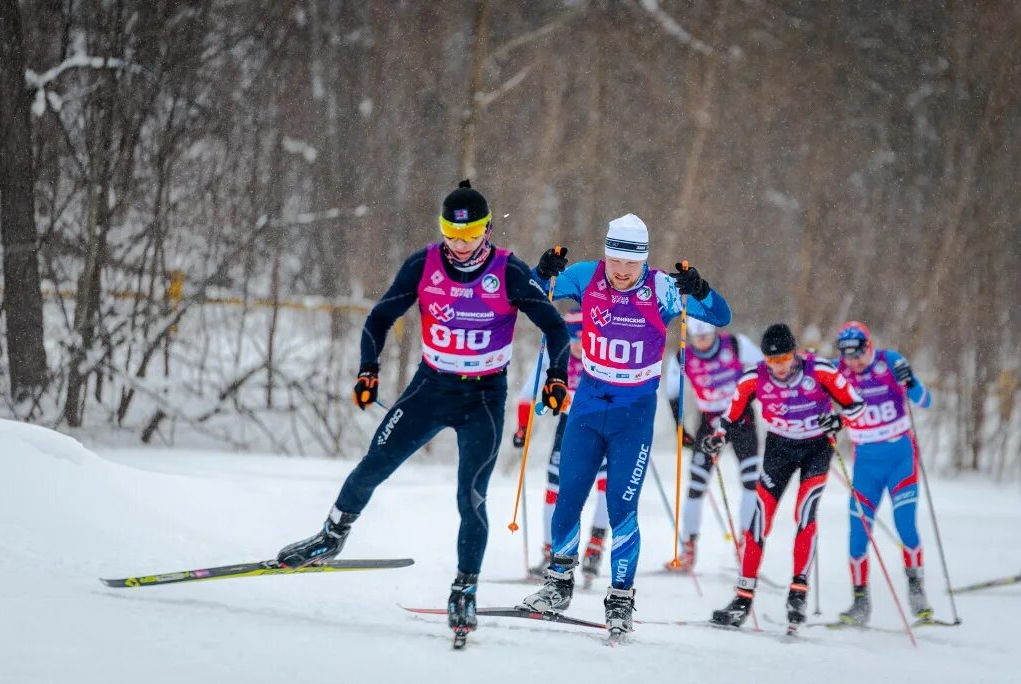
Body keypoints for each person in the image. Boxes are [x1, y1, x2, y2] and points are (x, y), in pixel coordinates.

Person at [274, 180, 571, 640]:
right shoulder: (424, 264)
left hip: (484, 398)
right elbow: (378, 319)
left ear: (487, 231)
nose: (460, 245)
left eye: (470, 236)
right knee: (374, 464)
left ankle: (464, 589)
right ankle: (330, 537)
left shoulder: (510, 271)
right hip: (430, 388)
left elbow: (555, 328)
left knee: (470, 498)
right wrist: (368, 370)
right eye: (451, 235)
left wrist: (556, 376)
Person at [518, 213, 732, 634]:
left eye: (630, 264)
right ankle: (558, 582)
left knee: (621, 506)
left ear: (644, 261)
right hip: (587, 406)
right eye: (615, 260)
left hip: (633, 415)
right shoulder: (586, 276)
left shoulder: (663, 288)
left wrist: (701, 289)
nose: (620, 271)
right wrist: (539, 272)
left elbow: (721, 315)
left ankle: (620, 597)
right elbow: (525, 293)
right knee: (568, 496)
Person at [708, 324, 864, 629]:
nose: (779, 367)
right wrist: (719, 436)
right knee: (759, 519)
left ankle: (797, 593)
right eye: (772, 361)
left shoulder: (819, 370)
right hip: (779, 448)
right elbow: (732, 411)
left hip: (816, 449)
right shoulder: (755, 377)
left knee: (805, 515)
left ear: (795, 354)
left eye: (784, 360)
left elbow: (856, 404)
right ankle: (742, 599)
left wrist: (839, 420)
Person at [833, 321, 934, 625]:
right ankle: (860, 601)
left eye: (858, 355)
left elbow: (925, 400)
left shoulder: (890, 362)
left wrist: (911, 382)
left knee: (905, 526)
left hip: (899, 457)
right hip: (865, 462)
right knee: (857, 534)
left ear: (869, 345)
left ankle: (916, 588)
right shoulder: (840, 371)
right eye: (848, 357)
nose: (854, 363)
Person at [514, 308, 610, 584]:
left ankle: (594, 548)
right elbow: (528, 392)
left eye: (584, 338)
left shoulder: (602, 355)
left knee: (605, 485)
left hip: (600, 427)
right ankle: (551, 551)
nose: (579, 345)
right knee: (554, 488)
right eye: (573, 339)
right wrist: (522, 428)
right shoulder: (555, 357)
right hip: (568, 427)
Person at [663, 318, 763, 572]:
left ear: (714, 333)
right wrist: (680, 428)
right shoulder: (682, 355)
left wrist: (754, 393)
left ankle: (746, 547)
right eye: (697, 339)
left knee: (751, 482)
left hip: (741, 419)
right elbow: (672, 391)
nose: (702, 344)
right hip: (708, 423)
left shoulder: (736, 344)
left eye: (706, 337)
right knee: (696, 486)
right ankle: (688, 550)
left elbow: (764, 369)